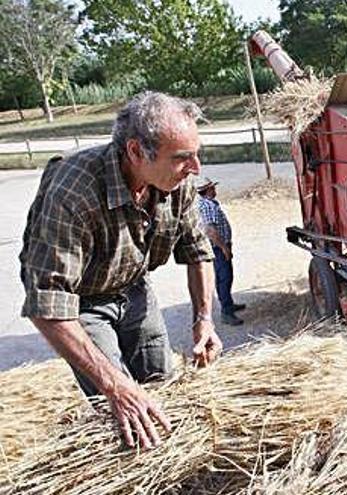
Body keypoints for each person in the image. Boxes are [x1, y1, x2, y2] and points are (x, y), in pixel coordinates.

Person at [19, 91, 223, 450]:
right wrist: (115, 387)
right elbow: (48, 303)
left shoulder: (179, 184)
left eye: (197, 153)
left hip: (133, 286)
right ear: (135, 151)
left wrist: (203, 319)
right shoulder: (75, 189)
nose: (196, 169)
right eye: (181, 158)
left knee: (163, 388)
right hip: (81, 302)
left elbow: (197, 251)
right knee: (125, 410)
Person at [197, 178, 246, 326]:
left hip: (218, 246)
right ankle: (226, 311)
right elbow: (210, 230)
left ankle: (228, 304)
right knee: (224, 277)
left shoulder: (209, 204)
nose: (215, 190)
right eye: (212, 188)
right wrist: (224, 247)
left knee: (223, 277)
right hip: (217, 247)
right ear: (207, 190)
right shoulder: (207, 206)